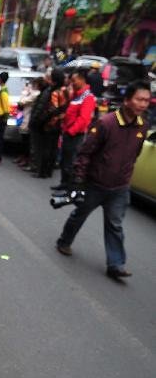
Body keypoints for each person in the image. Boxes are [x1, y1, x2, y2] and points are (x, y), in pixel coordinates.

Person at [55, 80, 150, 281]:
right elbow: (85, 153)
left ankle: (116, 264)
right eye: (139, 99)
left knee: (115, 225)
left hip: (120, 187)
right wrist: (80, 180)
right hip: (95, 184)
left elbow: (135, 154)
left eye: (146, 100)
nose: (143, 104)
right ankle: (64, 241)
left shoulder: (143, 126)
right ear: (126, 100)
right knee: (79, 214)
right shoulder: (106, 123)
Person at [53, 69, 96, 191]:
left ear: (82, 80)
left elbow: (83, 119)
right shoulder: (76, 95)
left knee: (72, 161)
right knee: (65, 160)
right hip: (68, 132)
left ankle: (70, 187)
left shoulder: (87, 97)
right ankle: (64, 183)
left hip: (75, 135)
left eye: (74, 80)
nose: (72, 83)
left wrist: (70, 131)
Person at [37, 68, 69, 179]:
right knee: (54, 148)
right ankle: (49, 171)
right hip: (60, 123)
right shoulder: (66, 91)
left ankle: (43, 172)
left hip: (51, 123)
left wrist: (43, 119)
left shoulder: (55, 92)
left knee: (47, 147)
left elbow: (53, 109)